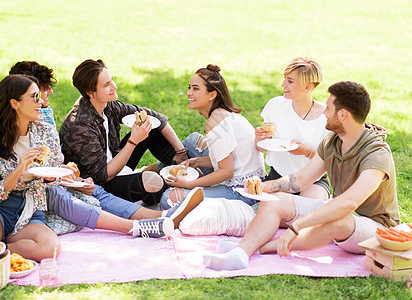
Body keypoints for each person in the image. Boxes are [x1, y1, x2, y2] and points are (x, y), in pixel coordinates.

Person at [0, 75, 204, 261]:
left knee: (51, 248)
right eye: (34, 97)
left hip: (32, 207)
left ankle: (0, 246)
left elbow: (52, 173)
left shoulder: (44, 130)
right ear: (14, 103)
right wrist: (20, 170)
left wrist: (73, 178)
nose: (41, 101)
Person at [202, 81, 400, 271]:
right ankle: (242, 253)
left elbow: (349, 203)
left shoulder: (376, 153)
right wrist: (267, 187)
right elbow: (302, 179)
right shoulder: (333, 141)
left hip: (375, 228)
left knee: (337, 221)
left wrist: (299, 225)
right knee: (275, 200)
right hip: (339, 209)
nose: (323, 112)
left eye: (328, 108)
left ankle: (261, 247)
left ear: (342, 114)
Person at [59, 59, 187, 205]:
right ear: (90, 92)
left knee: (150, 127)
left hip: (116, 163)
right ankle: (168, 176)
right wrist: (133, 142)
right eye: (106, 85)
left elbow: (155, 117)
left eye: (111, 80)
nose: (114, 86)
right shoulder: (80, 125)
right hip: (101, 184)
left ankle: (183, 167)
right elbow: (103, 176)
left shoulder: (108, 105)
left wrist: (180, 151)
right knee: (155, 184)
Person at [159, 64, 266, 209]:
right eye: (189, 87)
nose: (189, 93)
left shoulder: (216, 123)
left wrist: (189, 184)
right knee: (192, 141)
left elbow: (227, 171)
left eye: (195, 89)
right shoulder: (222, 114)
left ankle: (155, 180)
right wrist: (196, 162)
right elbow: (227, 161)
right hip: (246, 178)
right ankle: (155, 175)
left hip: (244, 191)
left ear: (212, 94)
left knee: (169, 199)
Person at [0, 61, 57, 195]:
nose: (50, 92)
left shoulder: (44, 112)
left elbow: (52, 161)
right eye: (43, 89)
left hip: (34, 188)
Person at [256, 57, 330, 200]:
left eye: (290, 81)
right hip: (278, 177)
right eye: (284, 78)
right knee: (274, 210)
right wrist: (259, 139)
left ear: (307, 87)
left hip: (313, 181)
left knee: (309, 209)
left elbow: (332, 162)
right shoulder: (275, 105)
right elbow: (262, 148)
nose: (282, 84)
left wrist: (307, 152)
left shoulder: (326, 117)